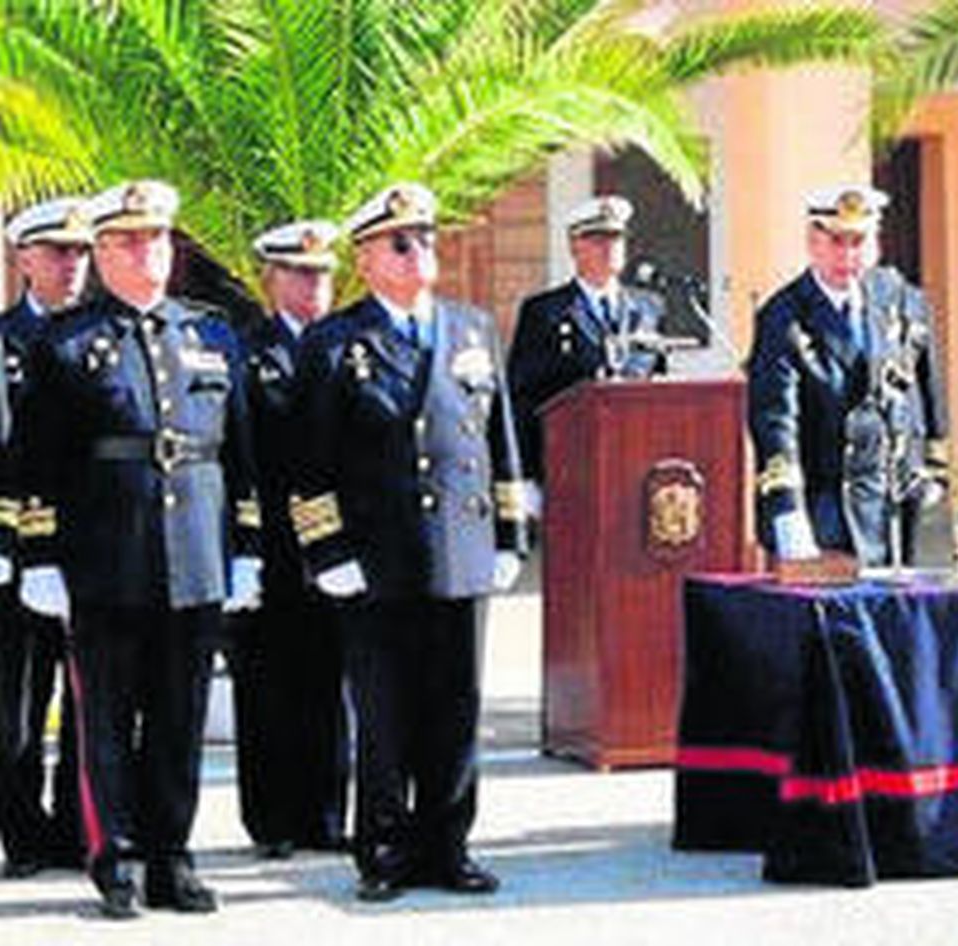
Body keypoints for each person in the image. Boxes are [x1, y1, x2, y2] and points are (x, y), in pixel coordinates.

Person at [16, 180, 262, 917]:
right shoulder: (65, 344)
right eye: (127, 240)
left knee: (180, 716)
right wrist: (40, 557)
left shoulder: (211, 335)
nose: (145, 251)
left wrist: (246, 547)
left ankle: (171, 855)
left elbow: (241, 454)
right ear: (101, 252)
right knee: (107, 720)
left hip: (195, 553)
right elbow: (35, 463)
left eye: (155, 237)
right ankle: (116, 857)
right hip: (104, 557)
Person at [292, 182, 529, 902]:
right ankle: (386, 851)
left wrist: (510, 534)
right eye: (400, 242)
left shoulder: (472, 328)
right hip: (378, 557)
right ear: (365, 260)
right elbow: (309, 462)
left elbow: (501, 441)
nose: (417, 250)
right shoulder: (336, 343)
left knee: (457, 707)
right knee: (385, 712)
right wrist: (328, 552)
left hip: (461, 546)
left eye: (425, 237)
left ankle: (449, 846)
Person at [224, 220, 349, 859]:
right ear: (270, 279)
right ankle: (271, 821)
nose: (314, 285)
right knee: (267, 685)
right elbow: (237, 454)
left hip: (336, 545)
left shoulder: (351, 347)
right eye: (300, 273)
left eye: (322, 273)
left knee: (330, 683)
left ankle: (324, 816)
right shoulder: (246, 353)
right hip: (270, 544)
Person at [746, 184, 949, 567]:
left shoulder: (900, 298)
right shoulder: (784, 316)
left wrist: (935, 467)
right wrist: (788, 510)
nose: (848, 256)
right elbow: (775, 419)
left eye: (859, 242)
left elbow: (926, 382)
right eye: (836, 242)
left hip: (891, 502)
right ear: (812, 242)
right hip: (822, 505)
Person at [0, 198, 89, 878]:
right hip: (13, 554)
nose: (72, 265)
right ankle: (24, 836)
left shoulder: (103, 337)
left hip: (91, 552)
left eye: (81, 252)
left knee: (93, 706)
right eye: (58, 252)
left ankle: (78, 829)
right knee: (17, 708)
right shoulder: (4, 343)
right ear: (23, 259)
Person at [507, 195, 665, 500]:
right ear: (575, 247)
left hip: (636, 461)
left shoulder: (649, 308)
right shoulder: (546, 312)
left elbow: (658, 383)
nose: (610, 248)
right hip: (570, 462)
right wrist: (525, 476)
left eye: (617, 238)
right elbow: (522, 397)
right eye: (598, 240)